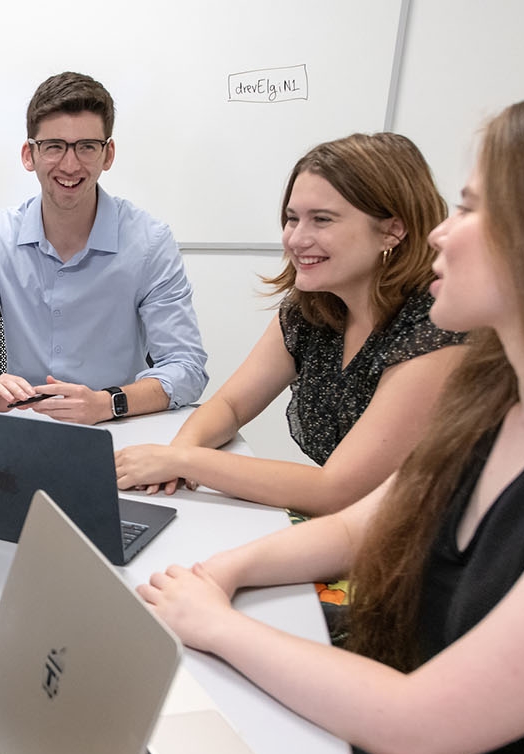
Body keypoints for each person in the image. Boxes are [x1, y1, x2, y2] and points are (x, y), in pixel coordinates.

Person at [138, 82, 524, 754]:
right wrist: (221, 572)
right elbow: (361, 522)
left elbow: (419, 729)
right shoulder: (498, 397)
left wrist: (217, 625)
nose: (439, 230)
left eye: (470, 208)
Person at [115, 133, 466, 517]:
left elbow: (335, 489)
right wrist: (182, 449)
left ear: (392, 231)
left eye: (322, 220)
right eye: (292, 219)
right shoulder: (311, 310)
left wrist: (184, 462)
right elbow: (231, 405)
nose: (296, 239)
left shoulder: (432, 331)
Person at [0, 71, 208, 425]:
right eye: (54, 147)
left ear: (107, 154)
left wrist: (107, 403)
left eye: (86, 147)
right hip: (27, 425)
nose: (70, 164)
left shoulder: (150, 242)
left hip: (117, 426)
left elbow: (186, 367)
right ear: (29, 154)